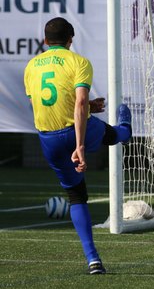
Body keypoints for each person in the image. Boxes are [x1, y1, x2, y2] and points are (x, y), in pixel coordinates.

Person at [23, 17, 133, 275]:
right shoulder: (78, 62)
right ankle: (126, 129)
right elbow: (80, 103)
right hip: (74, 132)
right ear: (71, 39)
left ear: (45, 40)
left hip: (48, 139)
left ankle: (93, 260)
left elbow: (41, 101)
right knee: (114, 135)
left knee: (76, 196)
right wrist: (80, 145)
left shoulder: (31, 66)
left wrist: (86, 108)